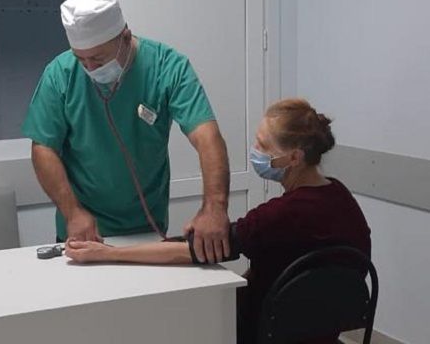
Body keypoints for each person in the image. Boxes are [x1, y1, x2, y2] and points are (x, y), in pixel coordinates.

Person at [65, 98, 372, 344]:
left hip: (268, 331)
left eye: (263, 145)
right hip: (323, 331)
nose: (255, 151)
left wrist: (109, 253)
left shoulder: (280, 214)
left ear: (294, 158)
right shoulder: (340, 197)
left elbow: (199, 250)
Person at [22, 0, 232, 263]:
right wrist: (72, 212)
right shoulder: (60, 75)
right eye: (81, 59)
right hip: (83, 231)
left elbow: (207, 137)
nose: (90, 68)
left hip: (146, 229)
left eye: (98, 59)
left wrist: (214, 208)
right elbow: (43, 148)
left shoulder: (167, 68)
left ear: (125, 37)